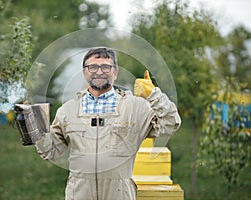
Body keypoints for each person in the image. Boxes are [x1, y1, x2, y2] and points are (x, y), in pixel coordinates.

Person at [19, 47, 181, 200]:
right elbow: (52, 151)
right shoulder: (67, 110)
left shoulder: (136, 107)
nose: (99, 72)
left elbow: (171, 124)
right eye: (93, 67)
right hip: (79, 194)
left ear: (115, 72)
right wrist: (35, 127)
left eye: (106, 67)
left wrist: (153, 94)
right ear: (84, 72)